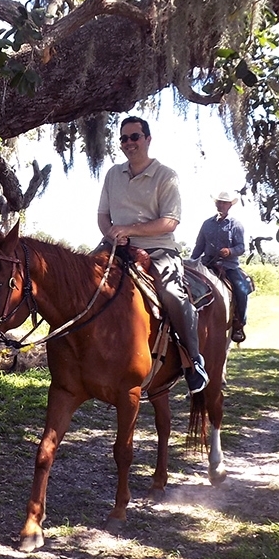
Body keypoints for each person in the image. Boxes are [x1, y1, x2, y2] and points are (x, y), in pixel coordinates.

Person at [97, 116, 208, 393]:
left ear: (147, 139)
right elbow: (102, 216)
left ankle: (193, 361)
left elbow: (170, 222)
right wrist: (112, 234)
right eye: (124, 138)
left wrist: (129, 229)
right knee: (78, 280)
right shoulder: (113, 174)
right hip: (115, 246)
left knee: (172, 293)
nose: (129, 143)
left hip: (158, 249)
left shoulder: (165, 175)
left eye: (135, 137)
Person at [190, 189, 251, 343]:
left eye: (224, 202)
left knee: (241, 290)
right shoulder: (206, 224)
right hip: (207, 264)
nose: (221, 205)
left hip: (228, 266)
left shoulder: (236, 225)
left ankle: (239, 324)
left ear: (230, 205)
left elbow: (241, 247)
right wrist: (191, 263)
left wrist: (229, 251)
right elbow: (199, 246)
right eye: (219, 202)